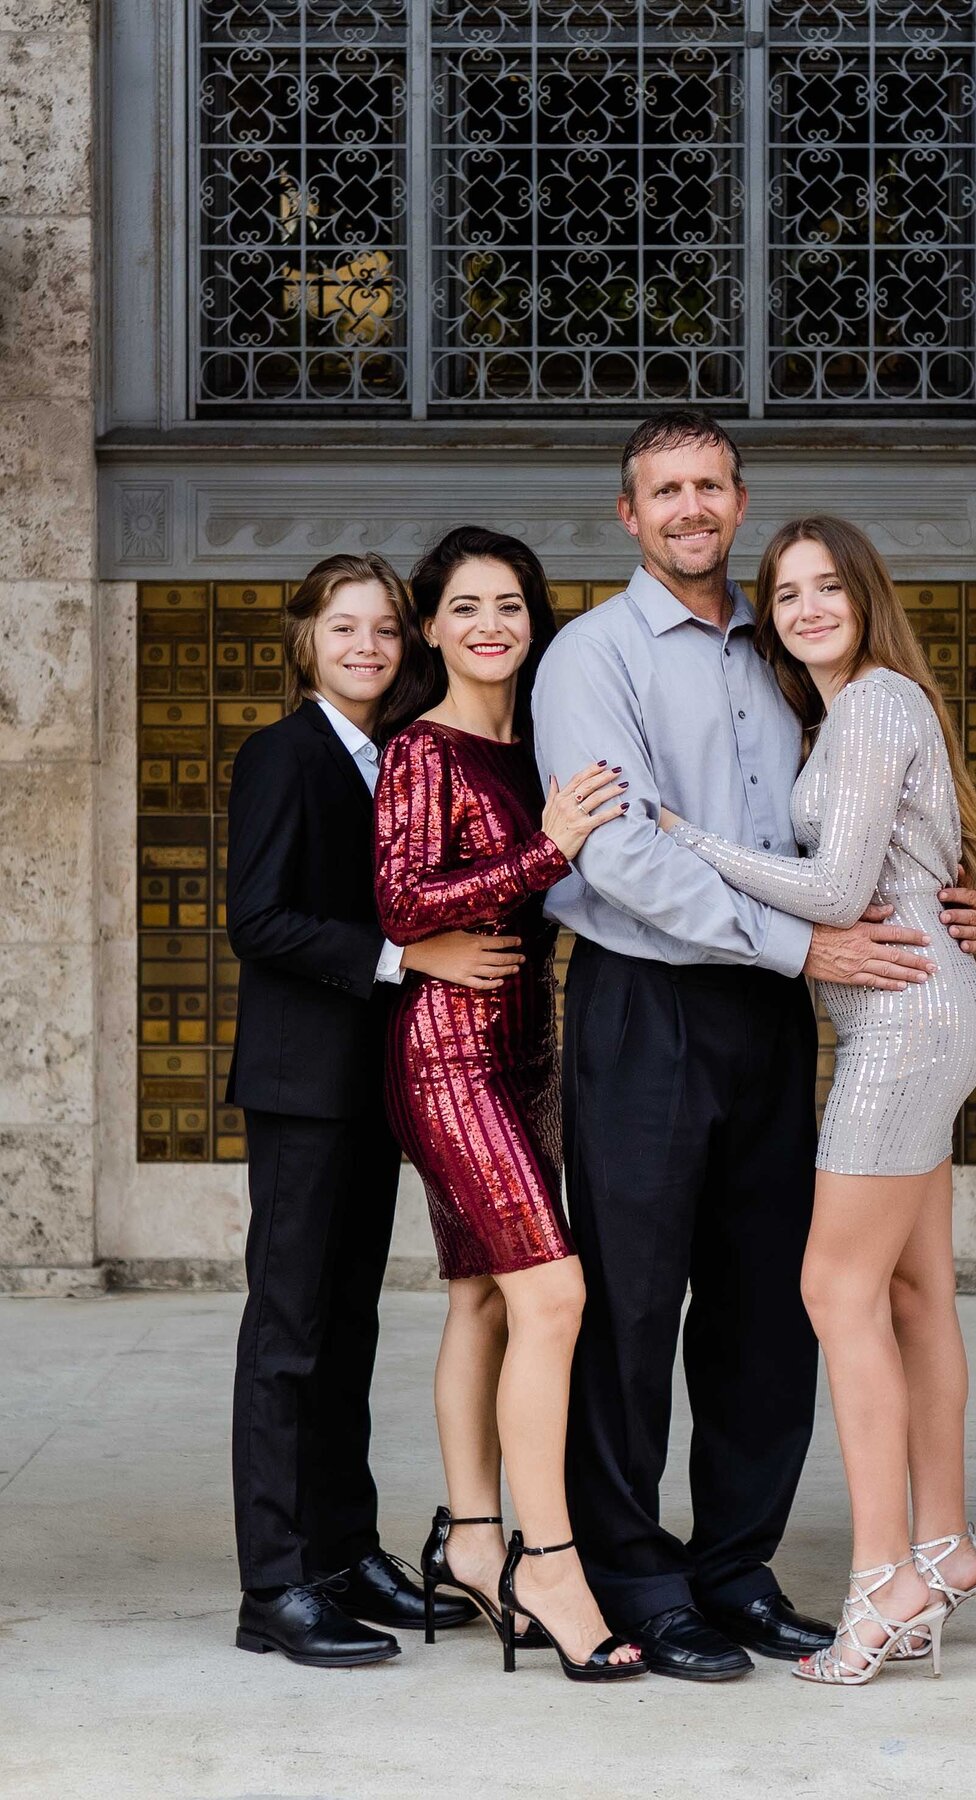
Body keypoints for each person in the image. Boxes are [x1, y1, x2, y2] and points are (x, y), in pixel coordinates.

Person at [530, 409, 976, 1682]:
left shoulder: (789, 653)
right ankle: (639, 1576)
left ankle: (736, 1567)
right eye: (664, 489)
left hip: (777, 1017)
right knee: (633, 1304)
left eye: (710, 485)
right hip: (646, 1003)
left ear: (739, 500)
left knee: (763, 1308)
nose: (690, 506)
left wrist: (960, 892)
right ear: (630, 516)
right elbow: (619, 852)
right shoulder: (592, 656)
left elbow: (887, 794)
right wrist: (802, 948)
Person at [664, 516, 976, 1686]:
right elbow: (926, 871)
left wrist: (683, 837)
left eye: (825, 586)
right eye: (785, 591)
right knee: (915, 1288)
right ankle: (945, 1545)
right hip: (932, 1006)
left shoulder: (867, 706)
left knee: (832, 1287)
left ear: (863, 593)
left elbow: (838, 886)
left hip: (903, 1023)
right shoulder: (874, 707)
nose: (806, 606)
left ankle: (882, 1584)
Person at [227, 551, 520, 1668]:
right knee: (289, 1336)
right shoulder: (282, 756)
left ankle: (345, 1554)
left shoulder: (390, 758)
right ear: (306, 639)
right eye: (343, 628)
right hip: (301, 1090)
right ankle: (276, 1585)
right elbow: (257, 921)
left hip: (370, 1088)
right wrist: (407, 955)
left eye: (385, 630)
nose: (366, 647)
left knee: (349, 1329)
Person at [373, 526, 644, 1683]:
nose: (492, 625)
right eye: (467, 607)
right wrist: (547, 850)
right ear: (430, 627)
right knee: (556, 1296)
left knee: (484, 1296)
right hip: (446, 1058)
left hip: (529, 1047)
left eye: (513, 607)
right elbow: (400, 901)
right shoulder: (421, 751)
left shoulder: (536, 746)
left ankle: (474, 1539)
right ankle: (554, 1562)